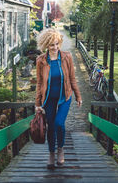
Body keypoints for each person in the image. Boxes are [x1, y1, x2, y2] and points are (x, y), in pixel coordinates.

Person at [35, 28, 82, 169]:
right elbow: (39, 83)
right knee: (50, 126)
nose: (55, 47)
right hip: (48, 99)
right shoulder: (41, 61)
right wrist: (37, 103)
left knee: (59, 123)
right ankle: (51, 153)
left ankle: (60, 150)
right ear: (46, 46)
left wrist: (78, 96)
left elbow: (72, 78)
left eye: (57, 44)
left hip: (64, 97)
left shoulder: (67, 57)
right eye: (51, 45)